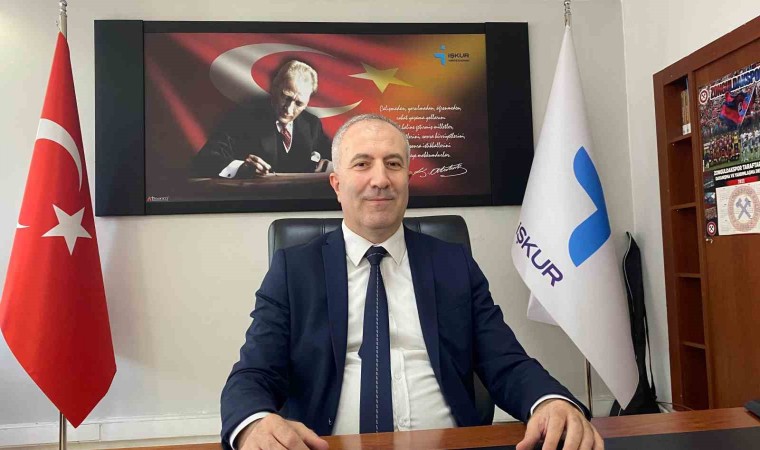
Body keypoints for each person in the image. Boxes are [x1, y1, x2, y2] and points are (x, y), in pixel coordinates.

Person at [220, 114, 605, 450]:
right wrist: (254, 422)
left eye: (393, 164)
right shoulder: (294, 270)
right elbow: (254, 373)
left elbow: (505, 361)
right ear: (336, 183)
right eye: (362, 164)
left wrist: (550, 401)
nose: (380, 179)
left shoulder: (453, 263)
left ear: (407, 178)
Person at [191, 60, 331, 178]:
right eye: (286, 97)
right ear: (274, 87)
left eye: (299, 103)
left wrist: (330, 165)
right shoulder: (242, 118)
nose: (288, 109)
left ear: (307, 102)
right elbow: (204, 160)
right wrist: (241, 168)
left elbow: (335, 157)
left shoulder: (311, 124)